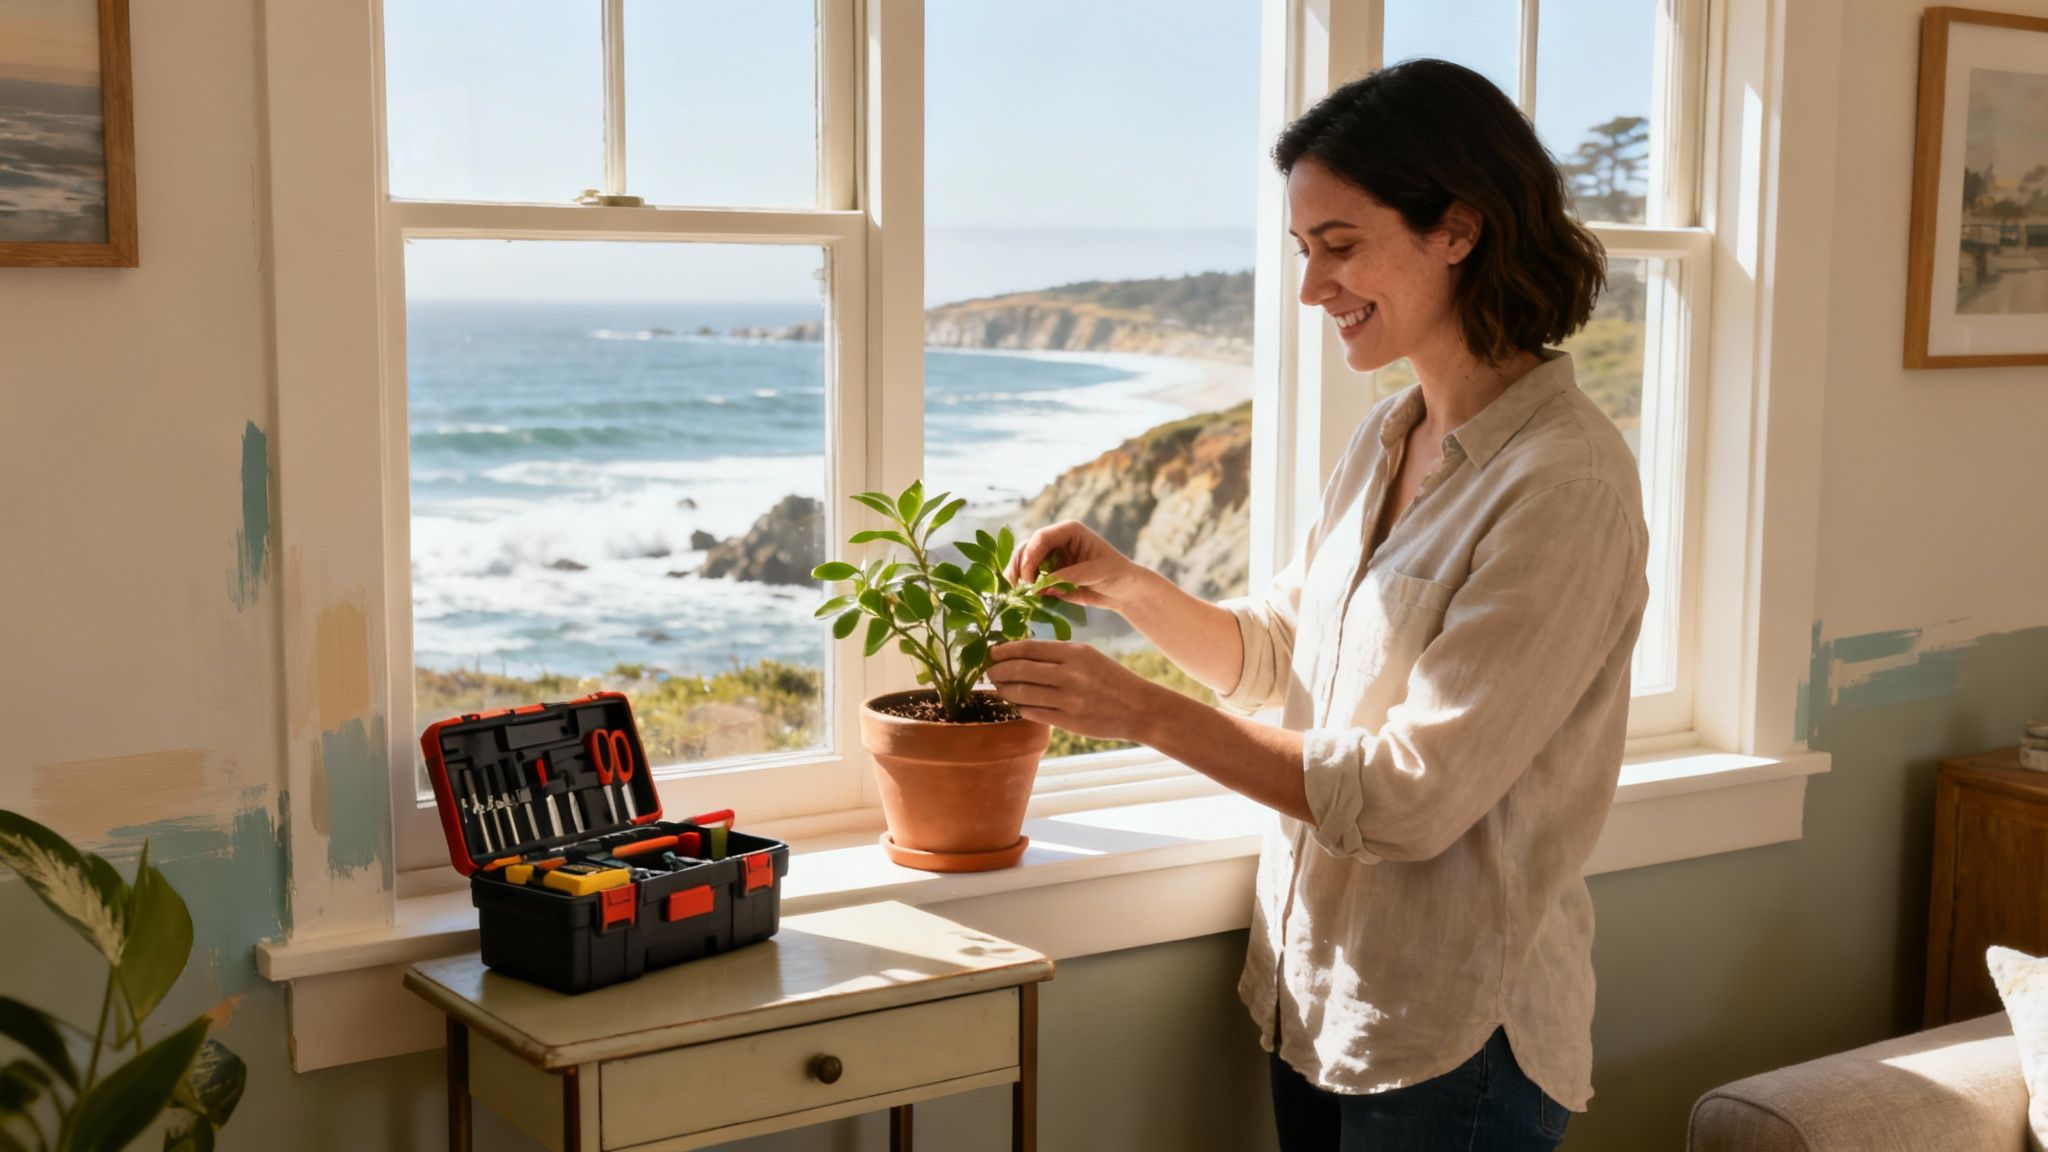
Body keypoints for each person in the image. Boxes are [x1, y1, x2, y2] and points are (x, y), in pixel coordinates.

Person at [987, 58, 1648, 1151]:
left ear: (1458, 229)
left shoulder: (1563, 487)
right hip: (1312, 1005)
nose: (1310, 288)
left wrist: (1141, 715)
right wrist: (1124, 586)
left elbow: (1410, 800)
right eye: (1304, 251)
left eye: (1339, 246)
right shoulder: (1385, 437)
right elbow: (1280, 654)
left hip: (1454, 1044)